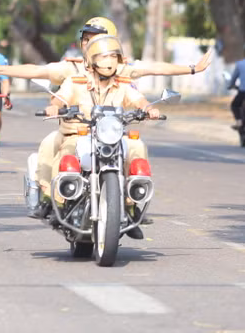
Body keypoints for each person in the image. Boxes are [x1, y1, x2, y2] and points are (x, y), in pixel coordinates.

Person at [34, 35, 160, 238]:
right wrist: (54, 107)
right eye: (104, 56)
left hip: (112, 137)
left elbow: (139, 99)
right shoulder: (75, 82)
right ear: (92, 60)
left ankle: (130, 207)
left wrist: (148, 108)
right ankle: (57, 202)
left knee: (137, 147)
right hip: (81, 135)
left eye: (113, 56)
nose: (109, 61)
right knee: (66, 152)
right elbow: (60, 99)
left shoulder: (123, 84)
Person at [0, 16, 213, 85]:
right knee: (52, 150)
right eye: (86, 39)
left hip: (113, 135)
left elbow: (156, 68)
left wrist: (192, 68)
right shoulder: (72, 67)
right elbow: (37, 70)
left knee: (136, 150)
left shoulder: (124, 68)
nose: (89, 45)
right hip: (77, 133)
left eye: (97, 39)